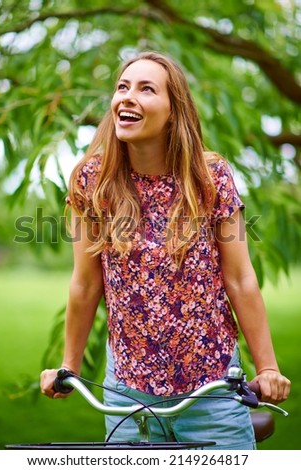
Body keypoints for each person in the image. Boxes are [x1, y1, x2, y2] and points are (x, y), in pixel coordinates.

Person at [40, 51, 290, 449]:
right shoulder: (92, 180)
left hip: (211, 389)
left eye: (146, 89)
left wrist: (268, 368)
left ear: (174, 111)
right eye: (122, 87)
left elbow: (240, 279)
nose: (127, 97)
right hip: (127, 393)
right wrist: (69, 366)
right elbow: (86, 284)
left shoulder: (210, 178)